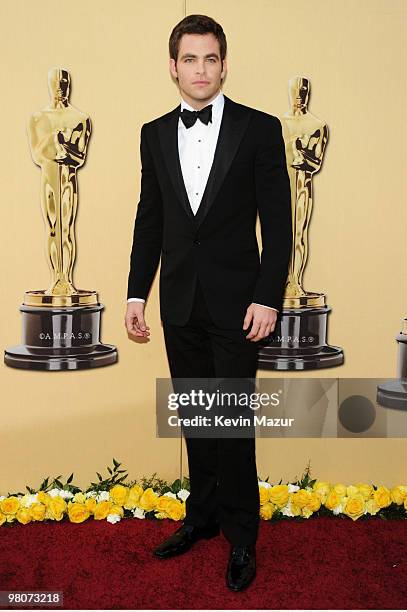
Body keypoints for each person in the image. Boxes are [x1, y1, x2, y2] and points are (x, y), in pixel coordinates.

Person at [125, 14, 292, 591]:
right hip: (180, 303)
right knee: (197, 415)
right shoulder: (151, 134)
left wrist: (269, 297)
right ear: (173, 67)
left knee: (233, 419)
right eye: (190, 59)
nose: (201, 70)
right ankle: (201, 517)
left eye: (211, 59)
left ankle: (242, 535)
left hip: (240, 305)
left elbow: (279, 224)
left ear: (224, 64)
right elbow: (150, 222)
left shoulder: (261, 129)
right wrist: (134, 292)